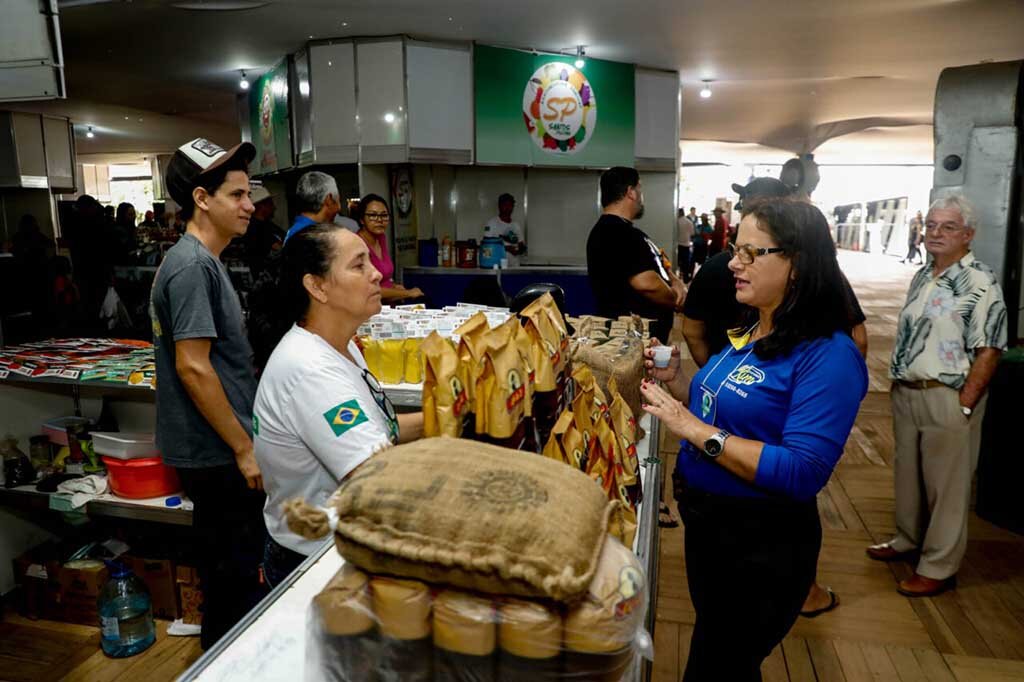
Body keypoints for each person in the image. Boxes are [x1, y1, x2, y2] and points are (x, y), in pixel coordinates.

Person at [642, 197, 868, 680]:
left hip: (761, 544)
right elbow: (720, 409)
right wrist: (678, 383)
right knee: (729, 663)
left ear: (797, 264)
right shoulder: (753, 330)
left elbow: (802, 470)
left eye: (750, 253)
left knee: (714, 666)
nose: (733, 265)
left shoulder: (829, 355)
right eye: (733, 250)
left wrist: (694, 430)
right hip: (710, 528)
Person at [250, 222, 425, 586]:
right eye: (358, 265)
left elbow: (380, 432)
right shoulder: (310, 371)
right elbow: (374, 477)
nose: (377, 274)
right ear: (317, 286)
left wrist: (452, 413)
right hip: (315, 562)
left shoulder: (340, 346)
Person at [150, 137, 265, 650]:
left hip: (218, 447)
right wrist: (243, 447)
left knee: (232, 574)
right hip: (215, 452)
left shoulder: (203, 261)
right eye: (237, 195)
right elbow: (193, 368)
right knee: (231, 582)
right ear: (202, 199)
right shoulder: (192, 266)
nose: (249, 206)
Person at [869, 195, 1007, 597]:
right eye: (931, 225)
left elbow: (990, 348)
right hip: (909, 392)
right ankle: (907, 539)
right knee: (908, 475)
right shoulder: (923, 275)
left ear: (968, 234)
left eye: (947, 227)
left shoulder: (980, 280)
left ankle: (939, 566)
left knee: (947, 487)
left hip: (948, 395)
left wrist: (965, 401)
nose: (935, 233)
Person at [586, 166, 686, 343]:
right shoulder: (614, 232)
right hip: (630, 341)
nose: (642, 196)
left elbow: (659, 265)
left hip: (646, 339)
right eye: (640, 189)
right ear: (631, 192)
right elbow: (647, 284)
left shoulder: (629, 233)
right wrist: (675, 300)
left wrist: (675, 281)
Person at [354, 193, 426, 304]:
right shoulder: (357, 244)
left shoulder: (381, 237)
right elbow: (367, 289)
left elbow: (384, 279)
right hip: (370, 308)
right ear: (362, 219)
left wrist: (395, 287)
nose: (379, 220)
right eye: (373, 215)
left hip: (388, 306)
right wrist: (408, 293)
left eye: (384, 215)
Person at [240, 185, 284, 275]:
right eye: (271, 204)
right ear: (261, 206)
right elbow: (278, 248)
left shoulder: (268, 225)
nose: (274, 207)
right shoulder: (255, 228)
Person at [286, 170, 341, 242]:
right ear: (329, 199)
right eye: (339, 200)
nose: (339, 208)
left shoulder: (298, 230)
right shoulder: (312, 236)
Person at [482, 193, 526, 266]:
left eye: (510, 205)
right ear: (499, 206)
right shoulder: (491, 223)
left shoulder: (516, 225)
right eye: (505, 205)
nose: (508, 208)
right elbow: (486, 247)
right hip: (497, 267)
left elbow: (521, 245)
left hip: (514, 266)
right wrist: (507, 248)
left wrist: (520, 250)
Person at [675, 208, 695, 283]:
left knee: (678, 262)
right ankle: (686, 279)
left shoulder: (676, 222)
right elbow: (692, 233)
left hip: (678, 244)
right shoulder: (689, 222)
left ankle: (678, 276)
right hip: (686, 244)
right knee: (686, 263)